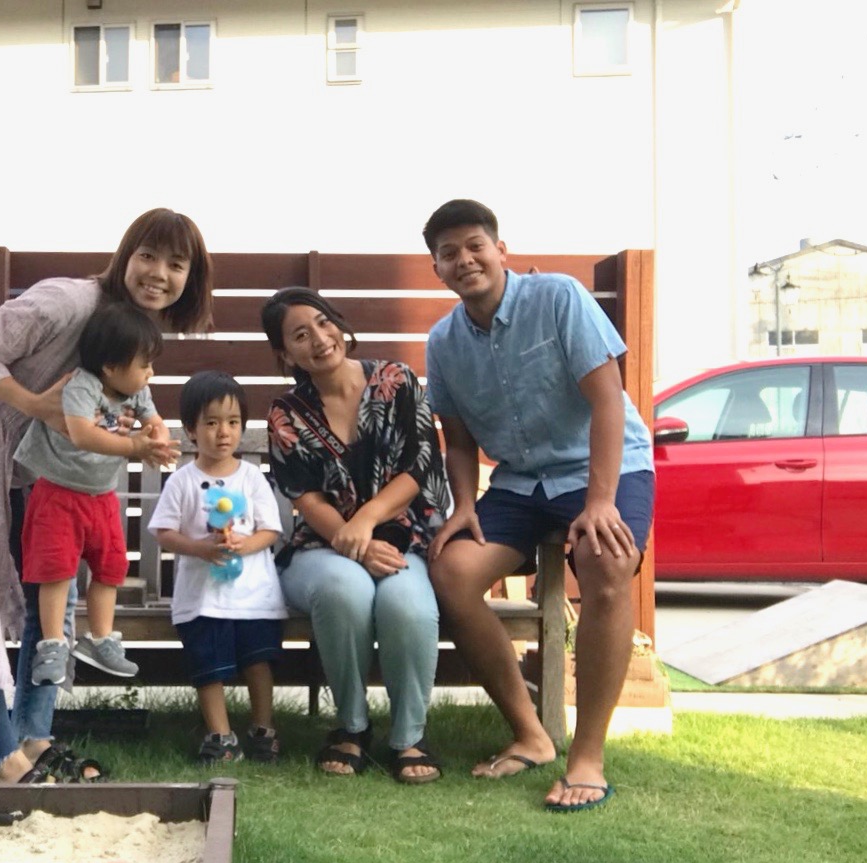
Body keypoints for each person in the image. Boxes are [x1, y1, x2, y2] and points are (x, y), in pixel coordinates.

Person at [0, 208, 213, 784]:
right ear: (125, 256)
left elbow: (114, 406)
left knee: (50, 592)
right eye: (147, 256)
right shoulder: (65, 302)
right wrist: (35, 405)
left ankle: (34, 738)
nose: (159, 273)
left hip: (30, 464)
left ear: (190, 278)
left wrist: (144, 434)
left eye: (176, 265)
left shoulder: (130, 330)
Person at [421, 198, 654, 812]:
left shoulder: (559, 297)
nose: (465, 260)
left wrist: (600, 501)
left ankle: (588, 756)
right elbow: (458, 438)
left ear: (501, 250)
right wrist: (464, 504)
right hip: (521, 483)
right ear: (437, 269)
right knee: (451, 571)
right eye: (449, 253)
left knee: (605, 560)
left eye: (476, 245)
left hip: (601, 465)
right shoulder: (442, 342)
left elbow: (608, 400)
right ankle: (531, 734)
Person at [261, 288, 451, 784]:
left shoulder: (397, 381)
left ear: (339, 324)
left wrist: (366, 522)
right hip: (322, 546)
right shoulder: (286, 413)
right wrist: (357, 545)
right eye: (300, 335)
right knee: (344, 588)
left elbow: (419, 466)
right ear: (286, 354)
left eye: (324, 323)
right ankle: (351, 725)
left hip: (404, 539)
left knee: (407, 607)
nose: (319, 338)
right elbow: (305, 498)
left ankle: (409, 735)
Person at [14, 301, 172, 687]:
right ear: (111, 367)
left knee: (110, 567)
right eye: (144, 364)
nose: (150, 372)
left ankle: (100, 640)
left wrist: (159, 440)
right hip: (58, 495)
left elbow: (155, 422)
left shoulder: (138, 391)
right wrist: (134, 447)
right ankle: (53, 644)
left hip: (102, 498)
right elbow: (82, 434)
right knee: (55, 571)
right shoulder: (81, 386)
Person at [148, 371, 287, 765]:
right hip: (203, 599)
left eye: (233, 422)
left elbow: (270, 530)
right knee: (208, 667)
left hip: (254, 597)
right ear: (191, 429)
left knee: (258, 661)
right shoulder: (182, 481)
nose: (223, 432)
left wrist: (243, 545)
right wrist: (199, 549)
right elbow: (164, 532)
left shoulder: (251, 478)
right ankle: (221, 736)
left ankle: (263, 729)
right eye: (211, 423)